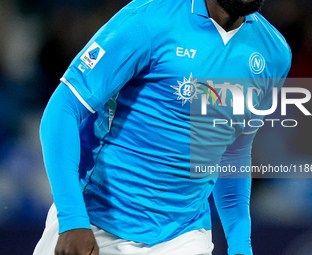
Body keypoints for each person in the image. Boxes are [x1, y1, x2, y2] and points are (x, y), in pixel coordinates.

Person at [33, 0, 291, 254]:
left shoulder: (274, 54)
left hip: (183, 237)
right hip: (95, 223)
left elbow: (233, 152)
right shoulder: (147, 19)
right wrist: (73, 220)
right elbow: (63, 108)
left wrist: (240, 245)